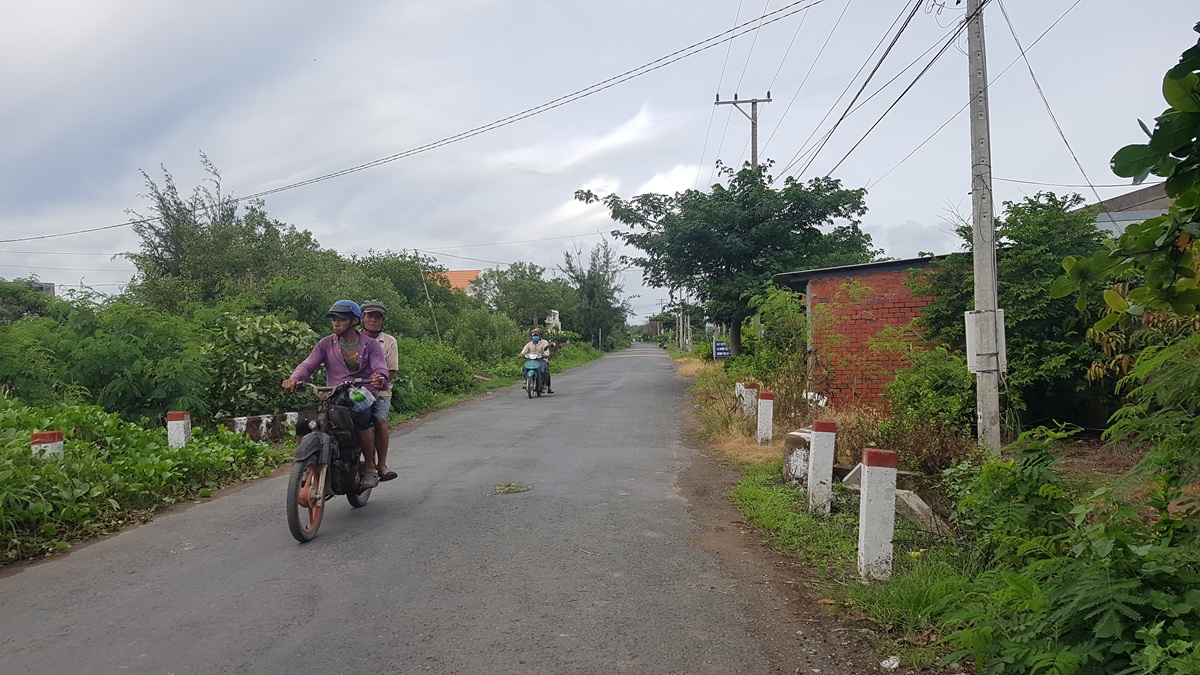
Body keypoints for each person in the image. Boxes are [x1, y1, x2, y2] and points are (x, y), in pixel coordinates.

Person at [282, 300, 390, 488]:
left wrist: (379, 377)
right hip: (334, 395)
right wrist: (294, 378)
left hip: (361, 395)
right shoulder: (325, 344)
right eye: (333, 319)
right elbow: (308, 364)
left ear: (355, 321)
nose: (336, 323)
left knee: (361, 418)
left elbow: (380, 366)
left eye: (341, 319)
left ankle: (371, 467)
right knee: (304, 422)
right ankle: (305, 465)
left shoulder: (371, 345)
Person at [360, 300, 399, 482]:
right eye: (370, 316)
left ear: (382, 320)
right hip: (356, 392)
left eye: (377, 317)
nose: (373, 320)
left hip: (380, 392)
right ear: (361, 318)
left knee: (379, 420)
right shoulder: (352, 339)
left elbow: (390, 371)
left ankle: (381, 465)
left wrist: (379, 386)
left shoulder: (389, 341)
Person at [519, 327, 553, 394]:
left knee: (544, 369)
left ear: (540, 335)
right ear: (531, 336)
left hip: (541, 360)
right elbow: (523, 351)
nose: (535, 337)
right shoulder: (529, 344)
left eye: (537, 335)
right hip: (531, 360)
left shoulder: (544, 343)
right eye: (534, 335)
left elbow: (546, 352)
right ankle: (527, 381)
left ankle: (544, 385)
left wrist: (545, 355)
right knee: (524, 369)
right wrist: (521, 354)